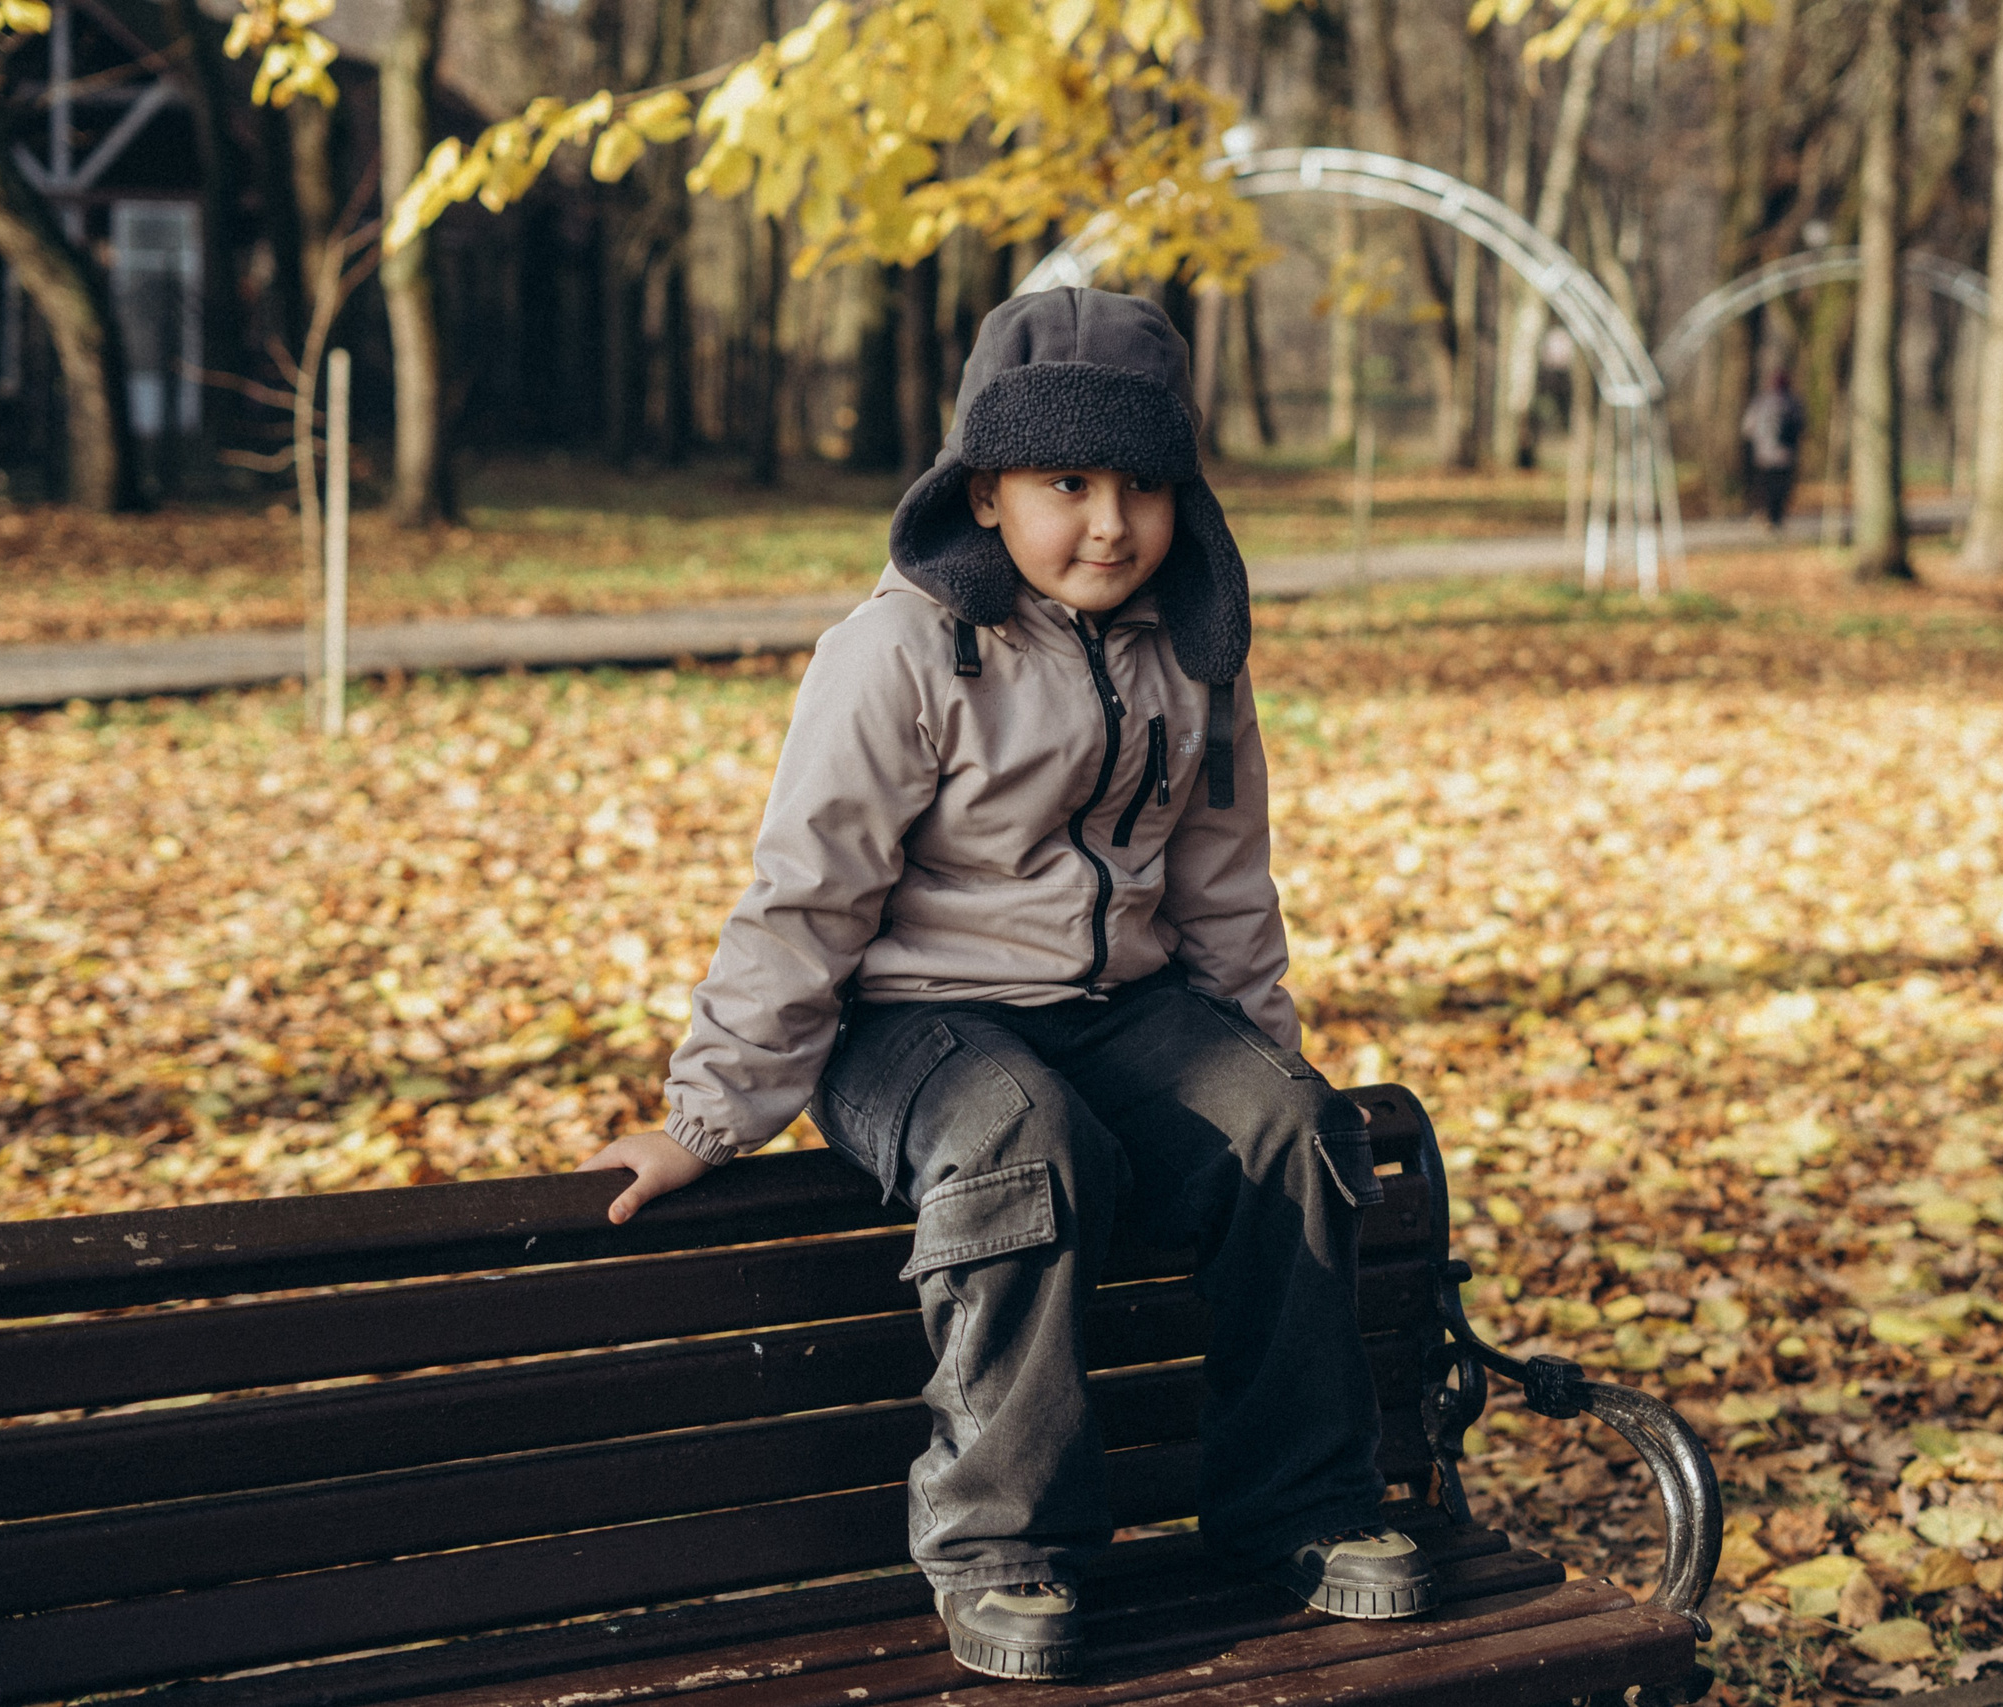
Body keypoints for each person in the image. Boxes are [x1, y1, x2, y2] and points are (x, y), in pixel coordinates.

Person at [577, 287, 1433, 1682]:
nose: (1112, 522)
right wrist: (709, 1112)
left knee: (1291, 1126)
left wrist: (1268, 1069)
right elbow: (810, 891)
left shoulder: (1193, 651)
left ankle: (1300, 1506)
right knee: (1017, 1140)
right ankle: (998, 1544)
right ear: (985, 491)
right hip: (914, 1027)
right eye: (1067, 482)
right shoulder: (903, 649)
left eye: (1146, 484)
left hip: (1121, 1012)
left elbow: (1225, 884)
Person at [1739, 368, 1807, 530]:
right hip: (1786, 454)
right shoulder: (1793, 403)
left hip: (1764, 455)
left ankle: (1769, 517)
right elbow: (1802, 426)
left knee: (1766, 488)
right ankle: (1777, 518)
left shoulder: (1760, 402)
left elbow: (1747, 428)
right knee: (1782, 488)